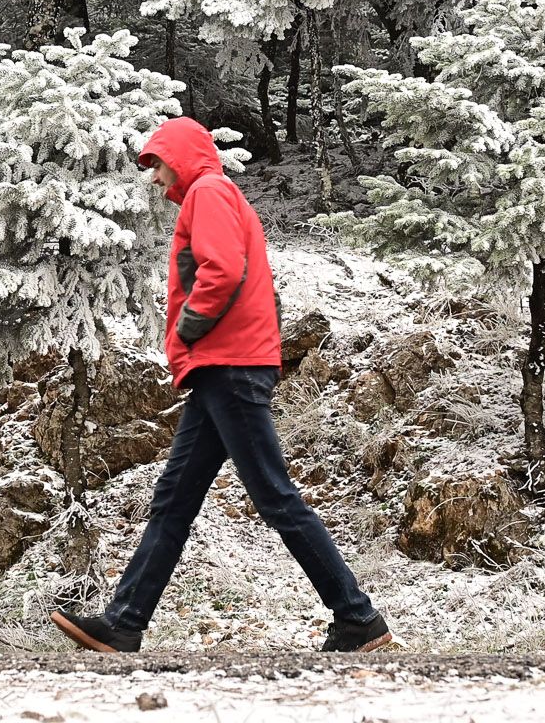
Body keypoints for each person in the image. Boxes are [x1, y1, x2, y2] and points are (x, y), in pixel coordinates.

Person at [51, 116, 392, 654]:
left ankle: (357, 618)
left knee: (275, 497)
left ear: (181, 157)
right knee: (174, 500)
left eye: (158, 165)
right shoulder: (212, 194)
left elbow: (222, 270)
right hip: (223, 367)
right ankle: (124, 621)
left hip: (229, 364)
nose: (155, 179)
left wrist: (189, 328)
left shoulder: (208, 191)